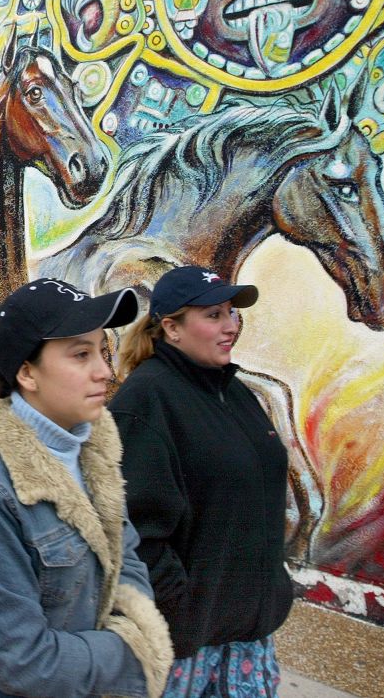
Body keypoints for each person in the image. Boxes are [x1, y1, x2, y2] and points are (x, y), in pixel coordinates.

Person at [0, 278, 173, 698]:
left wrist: (132, 620)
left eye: (102, 351)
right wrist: (134, 649)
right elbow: (25, 664)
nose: (105, 370)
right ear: (27, 373)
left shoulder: (94, 452)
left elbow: (126, 560)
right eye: (81, 354)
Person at [110, 266, 292, 697]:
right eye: (213, 315)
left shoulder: (234, 392)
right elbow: (130, 530)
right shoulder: (146, 400)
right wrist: (182, 607)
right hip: (186, 647)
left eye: (232, 313)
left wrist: (272, 582)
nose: (231, 326)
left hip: (245, 635)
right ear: (171, 327)